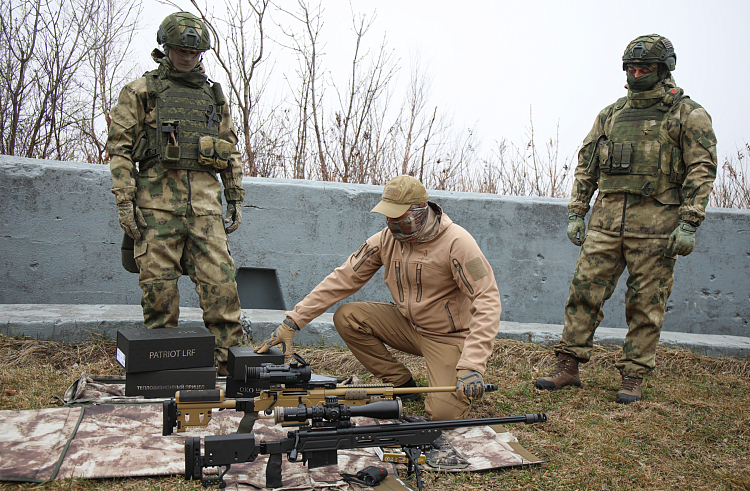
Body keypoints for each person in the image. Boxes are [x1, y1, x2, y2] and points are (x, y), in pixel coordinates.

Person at [535, 34, 717, 403]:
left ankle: (633, 375)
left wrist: (689, 221)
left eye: (645, 67)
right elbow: (586, 164)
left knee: (646, 303)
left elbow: (701, 168)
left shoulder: (687, 113)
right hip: (605, 223)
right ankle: (568, 365)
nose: (636, 73)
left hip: (656, 227)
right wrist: (576, 212)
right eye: (631, 67)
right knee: (583, 293)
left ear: (663, 69)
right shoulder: (612, 114)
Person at [254, 176, 502, 420]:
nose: (393, 225)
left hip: (447, 337)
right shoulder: (385, 239)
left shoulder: (459, 243)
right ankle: (401, 383)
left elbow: (488, 300)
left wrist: (472, 364)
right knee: (348, 317)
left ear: (421, 211)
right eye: (389, 217)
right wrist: (293, 321)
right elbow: (343, 278)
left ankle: (452, 380)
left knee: (443, 415)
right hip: (409, 326)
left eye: (400, 219)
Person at [106, 12, 245, 375]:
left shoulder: (213, 97)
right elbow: (119, 149)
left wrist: (234, 194)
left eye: (194, 51)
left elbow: (229, 149)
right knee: (159, 295)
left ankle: (230, 368)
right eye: (181, 50)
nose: (187, 57)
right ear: (166, 47)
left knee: (222, 288)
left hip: (204, 208)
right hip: (156, 208)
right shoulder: (141, 91)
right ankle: (162, 373)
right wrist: (125, 201)